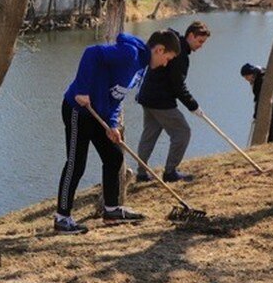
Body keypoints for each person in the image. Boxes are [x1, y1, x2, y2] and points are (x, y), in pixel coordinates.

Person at [54, 30, 180, 235]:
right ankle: (62, 218)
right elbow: (91, 53)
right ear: (159, 49)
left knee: (113, 157)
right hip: (78, 109)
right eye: (167, 58)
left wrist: (112, 124)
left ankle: (111, 210)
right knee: (76, 163)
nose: (166, 63)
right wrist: (82, 90)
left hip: (99, 114)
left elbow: (117, 95)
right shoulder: (129, 54)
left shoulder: (141, 67)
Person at [135, 21, 211, 183]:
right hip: (161, 101)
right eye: (200, 41)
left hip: (147, 97)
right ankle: (170, 172)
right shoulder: (180, 54)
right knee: (182, 132)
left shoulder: (171, 43)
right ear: (190, 36)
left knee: (149, 134)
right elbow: (178, 85)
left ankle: (141, 174)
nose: (201, 46)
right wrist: (193, 105)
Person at [240, 63, 273, 143]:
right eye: (244, 77)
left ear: (252, 73)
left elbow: (260, 99)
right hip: (272, 103)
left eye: (246, 76)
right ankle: (269, 144)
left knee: (272, 122)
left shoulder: (262, 79)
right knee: (266, 123)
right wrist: (256, 115)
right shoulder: (256, 78)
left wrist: (257, 114)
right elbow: (258, 99)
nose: (246, 79)